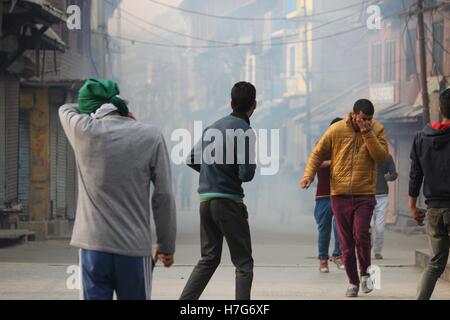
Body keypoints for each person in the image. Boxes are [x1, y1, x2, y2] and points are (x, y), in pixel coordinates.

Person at [59, 79, 176, 300]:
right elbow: (164, 195)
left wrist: (91, 108)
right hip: (133, 249)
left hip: (93, 247)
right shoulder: (151, 136)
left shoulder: (83, 130)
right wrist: (165, 245)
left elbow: (65, 107)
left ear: (91, 109)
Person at [301, 99, 388, 298]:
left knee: (362, 235)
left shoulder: (378, 130)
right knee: (346, 243)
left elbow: (382, 157)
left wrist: (367, 133)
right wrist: (308, 175)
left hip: (365, 193)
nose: (365, 122)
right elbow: (317, 153)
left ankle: (365, 273)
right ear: (354, 114)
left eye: (369, 119)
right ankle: (352, 282)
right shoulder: (336, 130)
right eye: (362, 118)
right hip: (339, 194)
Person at [180, 82, 257, 300]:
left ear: (231, 103)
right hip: (229, 202)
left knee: (209, 258)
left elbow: (191, 159)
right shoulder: (245, 131)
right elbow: (247, 174)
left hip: (205, 201)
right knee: (243, 263)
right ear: (254, 105)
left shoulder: (211, 128)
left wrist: (212, 171)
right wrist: (230, 171)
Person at [409, 88, 450, 300]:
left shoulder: (421, 138)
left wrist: (412, 206)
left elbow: (415, 174)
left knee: (435, 263)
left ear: (440, 109)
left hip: (434, 210)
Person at [312, 118, 345, 273]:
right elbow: (314, 164)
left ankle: (338, 255)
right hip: (324, 194)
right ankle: (323, 260)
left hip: (341, 193)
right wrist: (333, 162)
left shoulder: (347, 145)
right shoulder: (322, 144)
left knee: (340, 227)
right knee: (324, 229)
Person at [372, 154, 398, 260]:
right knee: (366, 227)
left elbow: (394, 174)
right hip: (366, 196)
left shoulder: (386, 157)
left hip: (382, 196)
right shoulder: (363, 154)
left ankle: (377, 251)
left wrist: (390, 177)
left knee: (380, 228)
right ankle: (365, 247)